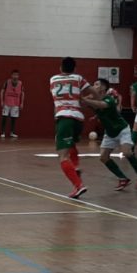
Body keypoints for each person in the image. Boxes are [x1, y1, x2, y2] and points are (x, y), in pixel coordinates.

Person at [82, 79, 137, 191]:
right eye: (93, 84)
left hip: (122, 129)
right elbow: (83, 103)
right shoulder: (92, 98)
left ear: (103, 88)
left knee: (127, 152)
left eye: (96, 84)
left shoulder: (109, 99)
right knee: (103, 157)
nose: (94, 86)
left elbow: (101, 105)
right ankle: (123, 178)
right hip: (110, 132)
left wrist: (84, 100)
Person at [51, 57, 94, 199]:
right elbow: (94, 93)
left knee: (62, 156)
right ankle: (75, 167)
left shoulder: (53, 79)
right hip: (78, 118)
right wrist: (86, 99)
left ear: (60, 67)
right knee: (72, 145)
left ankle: (78, 185)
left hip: (64, 117)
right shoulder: (78, 78)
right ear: (74, 68)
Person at [0, 69, 24, 138]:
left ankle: (12, 132)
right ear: (11, 75)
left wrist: (22, 103)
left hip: (16, 104)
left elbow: (23, 93)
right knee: (4, 117)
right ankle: (3, 132)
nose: (15, 76)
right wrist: (2, 101)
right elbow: (2, 91)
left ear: (18, 76)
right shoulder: (7, 82)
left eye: (16, 75)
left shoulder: (20, 83)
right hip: (6, 103)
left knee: (14, 118)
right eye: (14, 75)